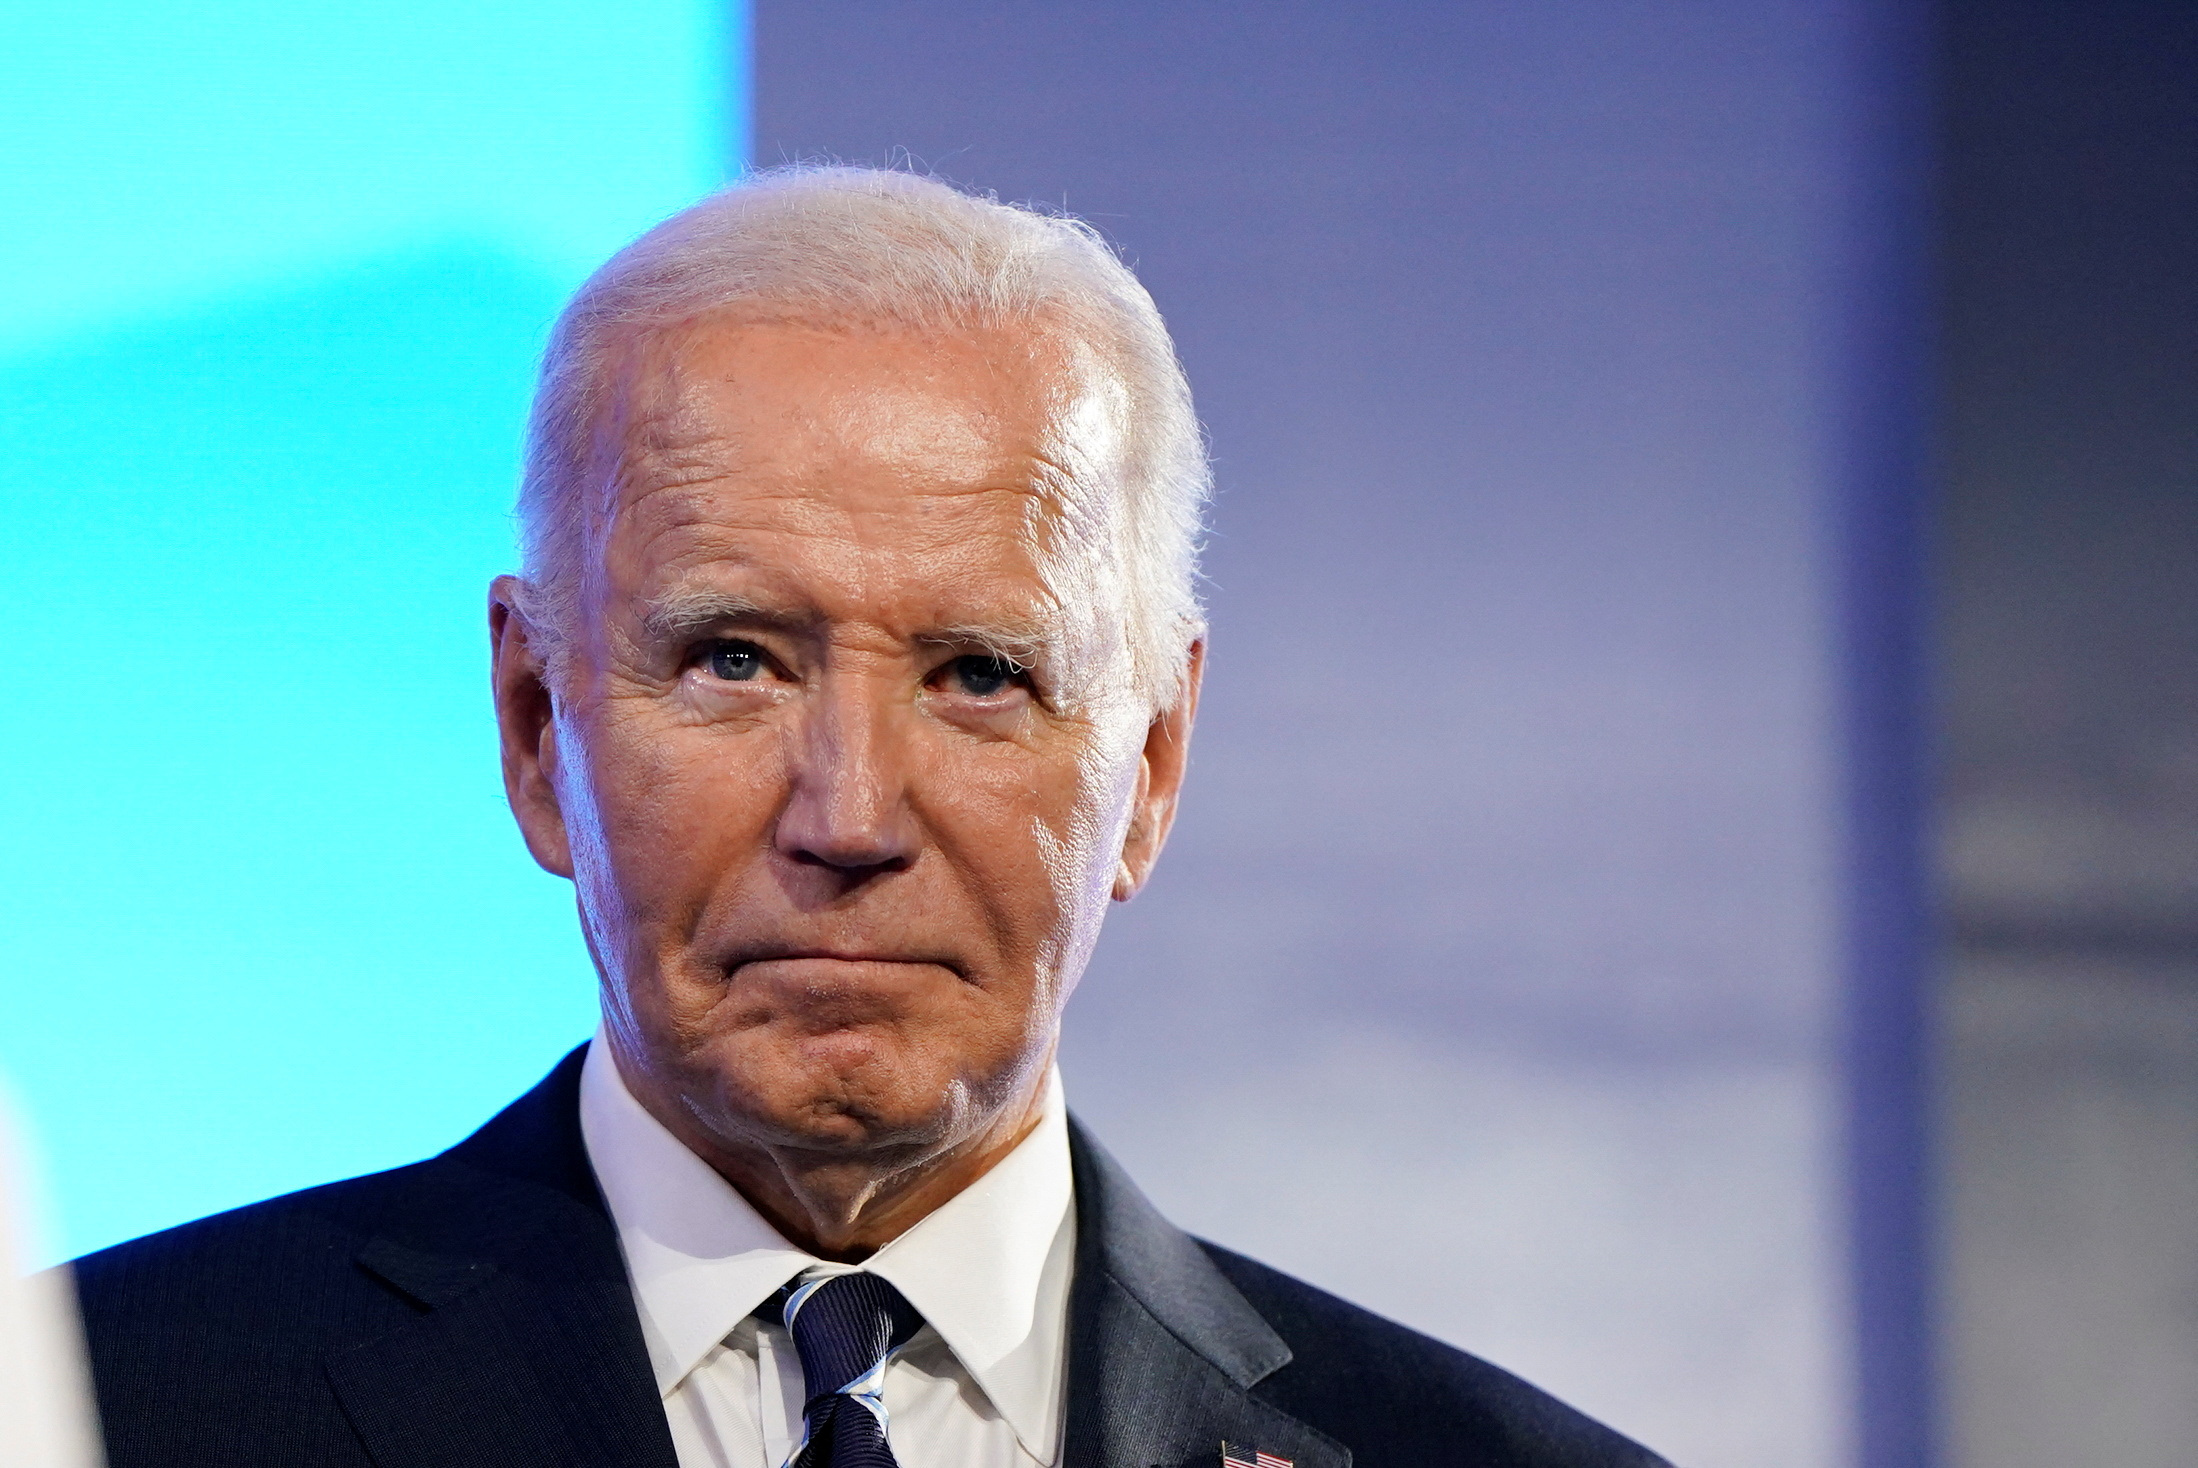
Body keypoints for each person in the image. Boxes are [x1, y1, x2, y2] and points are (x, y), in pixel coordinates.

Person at [72, 167, 1669, 1468]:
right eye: (734, 660)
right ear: (538, 726)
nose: (848, 817)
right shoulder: (98, 1414)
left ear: (1154, 761)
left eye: (980, 673)